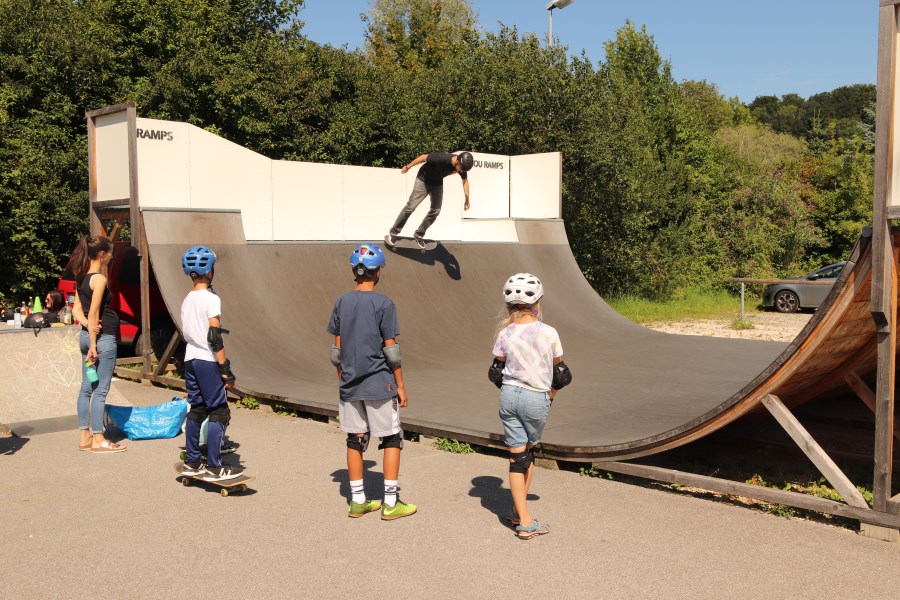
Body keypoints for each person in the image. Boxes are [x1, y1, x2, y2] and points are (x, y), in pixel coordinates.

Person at [327, 243, 417, 520]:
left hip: (350, 385)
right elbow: (391, 350)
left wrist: (344, 379)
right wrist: (400, 385)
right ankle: (390, 503)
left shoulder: (342, 302)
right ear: (377, 272)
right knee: (391, 438)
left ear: (354, 271)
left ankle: (357, 501)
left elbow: (336, 352)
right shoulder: (384, 304)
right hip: (380, 382)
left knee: (355, 439)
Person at [489, 273, 572, 540]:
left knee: (517, 457)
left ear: (508, 306)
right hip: (535, 398)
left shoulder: (504, 333)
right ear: (537, 303)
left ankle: (518, 512)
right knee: (528, 454)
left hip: (508, 396)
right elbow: (561, 373)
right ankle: (525, 521)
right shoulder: (548, 332)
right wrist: (551, 396)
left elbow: (495, 371)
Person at [179, 245, 242, 481]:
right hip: (207, 359)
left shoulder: (187, 299)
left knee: (196, 409)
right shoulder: (211, 299)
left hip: (190, 358)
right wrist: (225, 369)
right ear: (209, 271)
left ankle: (192, 461)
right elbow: (214, 337)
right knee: (219, 411)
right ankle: (214, 466)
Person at [71, 235, 126, 453]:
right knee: (101, 389)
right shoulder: (99, 279)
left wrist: (88, 327)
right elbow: (93, 312)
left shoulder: (80, 279)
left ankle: (84, 436)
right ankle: (98, 439)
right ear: (102, 254)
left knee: (86, 388)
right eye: (111, 252)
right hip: (102, 339)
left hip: (86, 337)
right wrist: (94, 343)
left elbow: (77, 310)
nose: (112, 256)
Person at [385, 151, 474, 249]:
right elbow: (423, 157)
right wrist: (408, 167)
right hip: (423, 179)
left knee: (436, 211)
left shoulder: (462, 167)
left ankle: (419, 234)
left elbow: (465, 181)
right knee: (411, 207)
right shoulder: (442, 158)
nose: (461, 172)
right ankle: (393, 232)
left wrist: (467, 200)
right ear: (457, 161)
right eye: (461, 169)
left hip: (437, 183)